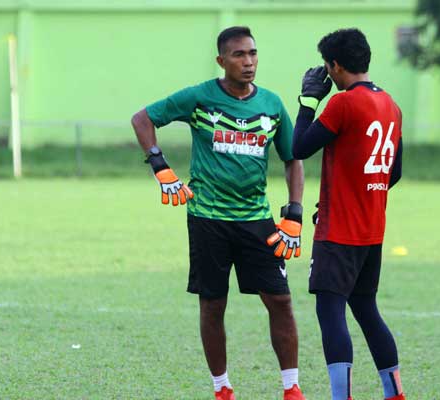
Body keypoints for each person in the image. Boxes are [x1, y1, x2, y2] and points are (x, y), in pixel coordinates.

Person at [131, 26, 306, 400]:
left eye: (253, 54)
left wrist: (294, 212)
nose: (249, 62)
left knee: (281, 300)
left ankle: (291, 387)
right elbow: (142, 119)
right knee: (213, 304)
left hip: (257, 220)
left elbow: (293, 158)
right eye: (239, 55)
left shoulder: (272, 104)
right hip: (208, 217)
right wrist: (161, 168)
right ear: (221, 60)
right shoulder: (199, 97)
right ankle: (221, 388)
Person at [292, 28, 405, 400]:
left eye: (327, 67)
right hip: (372, 230)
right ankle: (395, 393)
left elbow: (299, 148)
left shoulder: (342, 104)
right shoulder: (391, 105)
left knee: (331, 312)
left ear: (336, 66)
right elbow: (395, 172)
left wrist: (308, 101)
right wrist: (361, 194)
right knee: (366, 309)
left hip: (338, 231)